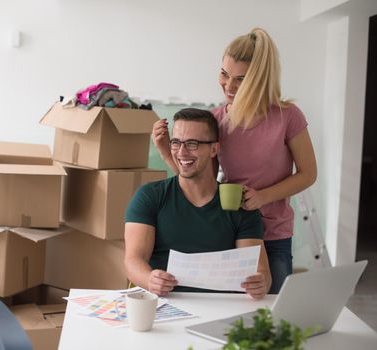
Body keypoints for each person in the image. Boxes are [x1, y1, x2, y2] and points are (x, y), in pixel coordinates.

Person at [151, 28, 317, 294]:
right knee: (228, 312)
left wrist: (263, 197)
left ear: (259, 80)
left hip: (273, 233)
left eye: (240, 79)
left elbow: (308, 173)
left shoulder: (288, 116)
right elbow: (200, 179)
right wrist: (165, 152)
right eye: (224, 74)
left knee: (269, 314)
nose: (228, 85)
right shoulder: (216, 121)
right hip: (228, 232)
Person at [124, 108, 271, 299]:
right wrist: (150, 279)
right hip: (164, 305)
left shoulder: (238, 204)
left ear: (214, 149)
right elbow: (133, 260)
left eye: (192, 144)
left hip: (221, 308)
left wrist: (261, 282)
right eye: (176, 142)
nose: (182, 152)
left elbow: (261, 271)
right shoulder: (150, 196)